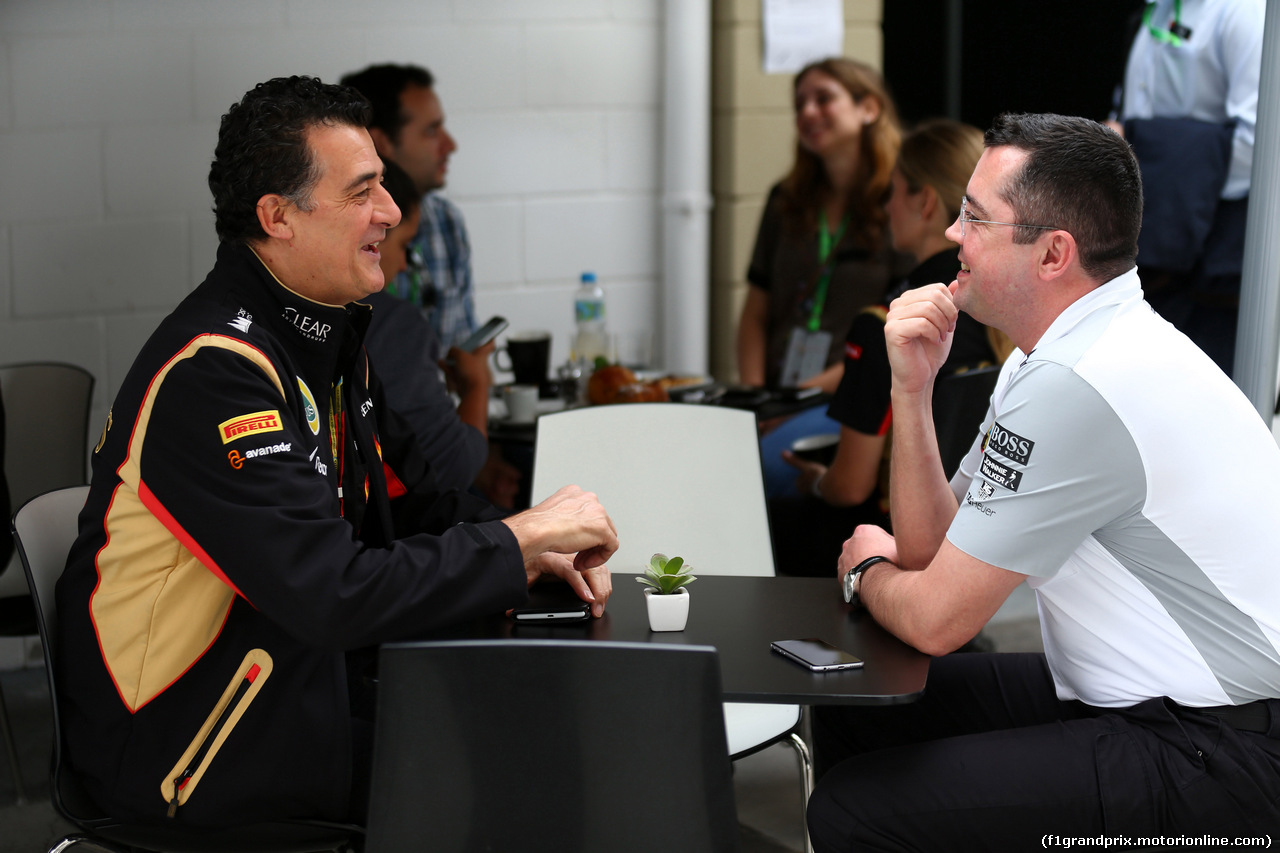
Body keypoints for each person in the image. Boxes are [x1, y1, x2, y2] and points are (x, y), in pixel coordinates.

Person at [55, 76, 617, 830]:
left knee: (547, 734)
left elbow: (411, 504)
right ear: (277, 216)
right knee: (518, 774)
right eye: (362, 192)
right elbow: (332, 591)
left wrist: (528, 543)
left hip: (295, 700)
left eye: (383, 185)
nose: (389, 211)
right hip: (184, 759)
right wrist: (514, 542)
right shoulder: (215, 371)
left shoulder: (321, 334)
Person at [808, 113, 1280, 849]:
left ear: (1054, 253)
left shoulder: (1081, 379)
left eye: (975, 217)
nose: (952, 236)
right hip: (1147, 705)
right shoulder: (1052, 358)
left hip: (1224, 754)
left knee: (855, 808)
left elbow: (937, 618)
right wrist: (911, 390)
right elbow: (935, 550)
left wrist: (866, 568)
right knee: (860, 697)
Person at [772, 119, 1007, 576]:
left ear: (923, 203)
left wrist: (817, 482)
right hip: (966, 538)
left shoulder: (886, 325)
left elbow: (850, 486)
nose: (885, 207)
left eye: (894, 191)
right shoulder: (996, 317)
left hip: (883, 540)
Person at [736, 57, 912, 498]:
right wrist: (757, 398)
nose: (808, 113)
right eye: (800, 104)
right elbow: (755, 313)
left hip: (845, 393)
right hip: (775, 393)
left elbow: (890, 331)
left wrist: (795, 399)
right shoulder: (786, 199)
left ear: (868, 108)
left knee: (758, 472)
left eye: (823, 99)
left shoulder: (897, 202)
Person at [1110, 0, 1265, 375]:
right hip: (1149, 250)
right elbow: (1131, 107)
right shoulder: (1155, 9)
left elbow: (1261, 148)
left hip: (1210, 269)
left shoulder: (1244, 12)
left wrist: (1136, 145)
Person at [362, 156, 501, 497]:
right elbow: (451, 466)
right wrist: (476, 386)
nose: (406, 263)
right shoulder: (393, 323)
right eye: (404, 244)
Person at [340, 63, 474, 356]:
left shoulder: (447, 222)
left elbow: (462, 344)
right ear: (380, 142)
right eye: (431, 131)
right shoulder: (338, 228)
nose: (450, 145)